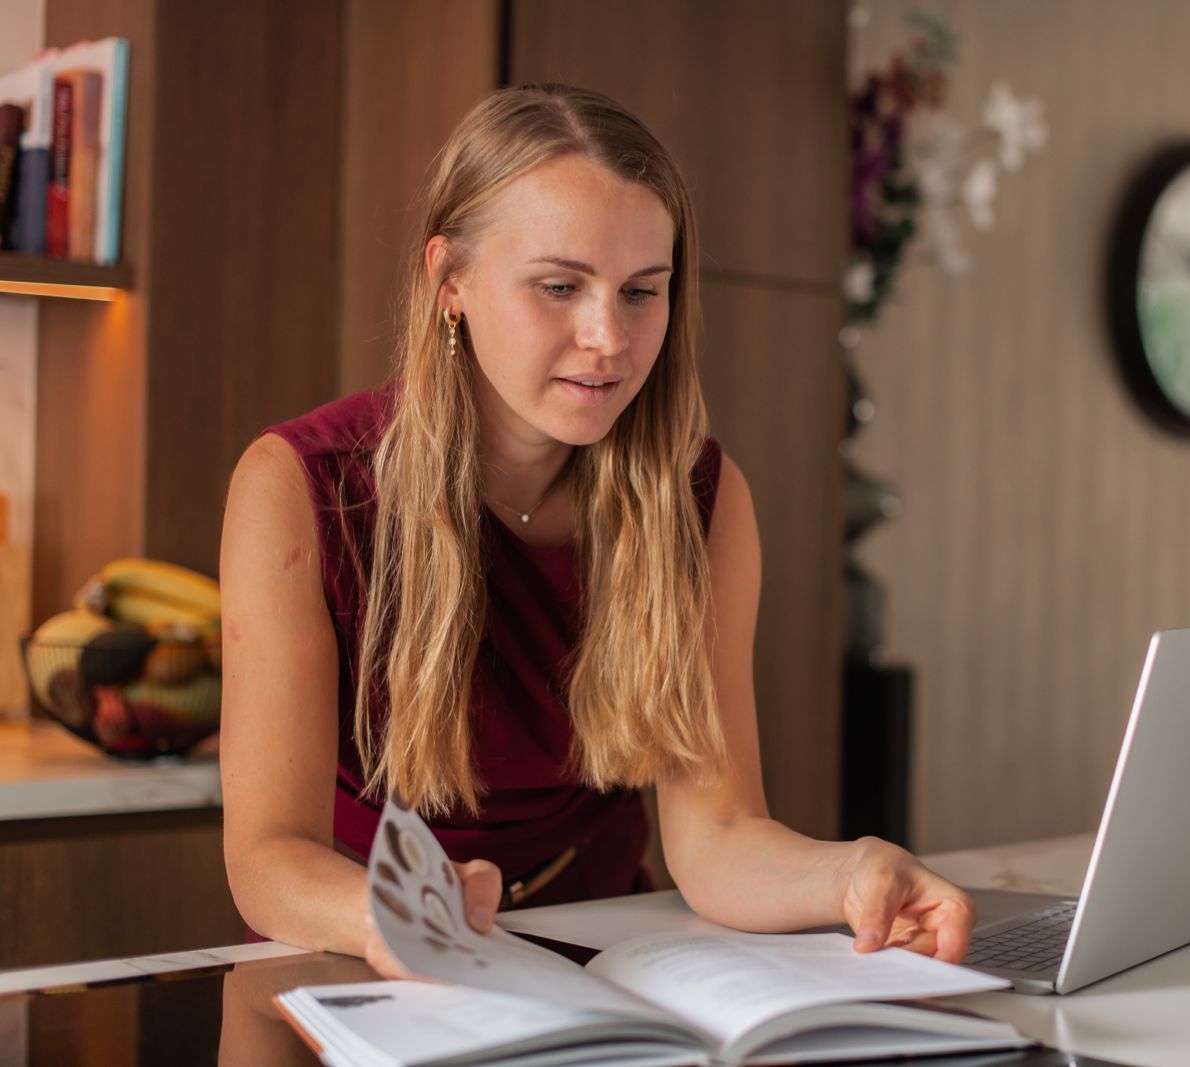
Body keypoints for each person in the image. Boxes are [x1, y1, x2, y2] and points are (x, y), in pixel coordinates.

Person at [218, 83, 974, 975]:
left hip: (609, 960)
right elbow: (268, 853)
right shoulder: (301, 489)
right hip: (357, 963)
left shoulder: (702, 498)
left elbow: (719, 833)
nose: (608, 337)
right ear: (447, 281)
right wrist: (394, 917)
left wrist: (851, 871)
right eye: (559, 286)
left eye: (640, 292)